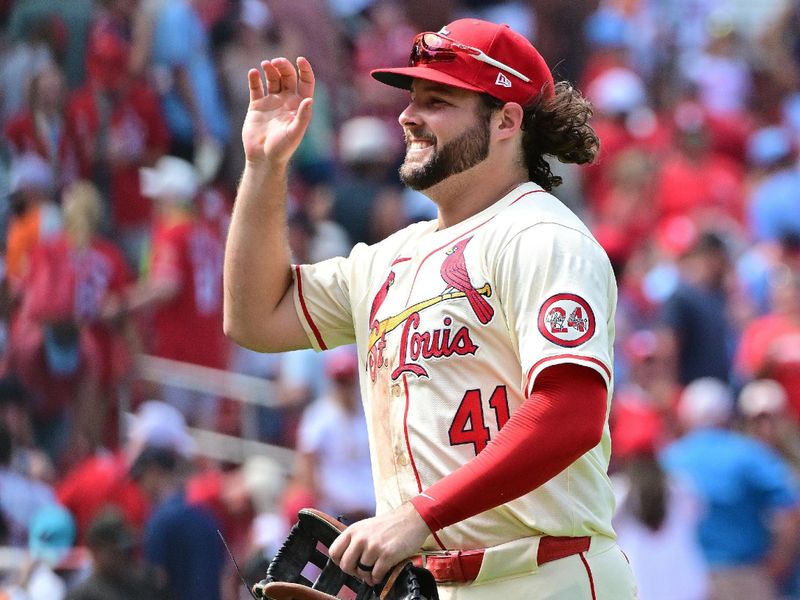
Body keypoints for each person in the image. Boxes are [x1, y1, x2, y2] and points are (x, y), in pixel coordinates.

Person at [224, 17, 636, 599]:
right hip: (429, 585)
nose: (408, 115)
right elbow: (255, 317)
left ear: (506, 121)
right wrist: (265, 167)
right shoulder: (389, 258)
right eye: (413, 97)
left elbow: (572, 409)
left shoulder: (541, 236)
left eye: (438, 101)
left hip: (544, 575)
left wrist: (421, 514)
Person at [661, 378, 800, 600]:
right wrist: (779, 562)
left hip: (684, 579)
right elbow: (790, 508)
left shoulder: (668, 458)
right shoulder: (749, 454)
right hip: (744, 577)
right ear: (727, 415)